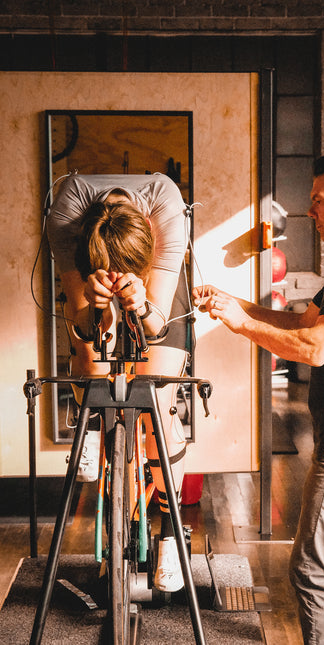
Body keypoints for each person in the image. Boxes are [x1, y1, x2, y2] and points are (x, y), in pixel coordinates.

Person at [193, 153, 324, 644]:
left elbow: (314, 350)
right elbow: (306, 323)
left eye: (317, 200)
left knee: (311, 572)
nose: (309, 211)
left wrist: (243, 325)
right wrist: (237, 306)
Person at [48, 171, 191, 593]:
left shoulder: (164, 210)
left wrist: (143, 302)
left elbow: (159, 323)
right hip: (88, 261)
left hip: (158, 292)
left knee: (157, 405)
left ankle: (168, 533)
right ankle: (92, 422)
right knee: (90, 351)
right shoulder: (66, 217)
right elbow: (80, 322)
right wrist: (93, 304)